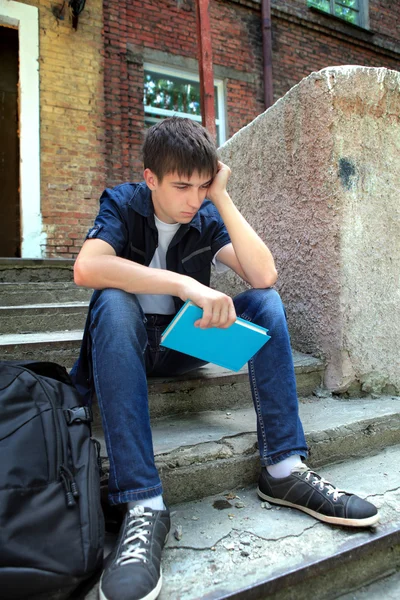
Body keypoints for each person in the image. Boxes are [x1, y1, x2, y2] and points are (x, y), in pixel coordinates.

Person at [71, 117, 378, 600]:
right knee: (111, 300)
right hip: (124, 342)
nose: (193, 198)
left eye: (202, 185)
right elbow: (87, 267)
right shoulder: (122, 202)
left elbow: (264, 272)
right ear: (150, 179)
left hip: (181, 345)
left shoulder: (206, 214)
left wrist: (223, 197)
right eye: (181, 186)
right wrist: (184, 284)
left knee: (265, 301)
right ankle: (143, 503)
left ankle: (283, 470)